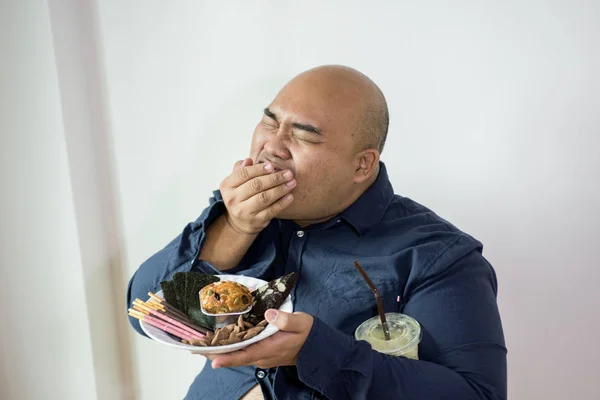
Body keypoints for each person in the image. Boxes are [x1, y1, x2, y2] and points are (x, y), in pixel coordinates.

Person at [127, 65, 507, 400]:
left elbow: (475, 394)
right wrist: (234, 226)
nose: (272, 147)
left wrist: (318, 352)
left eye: (304, 136)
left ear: (362, 165)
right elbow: (142, 312)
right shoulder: (241, 211)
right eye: (270, 122)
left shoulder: (436, 255)